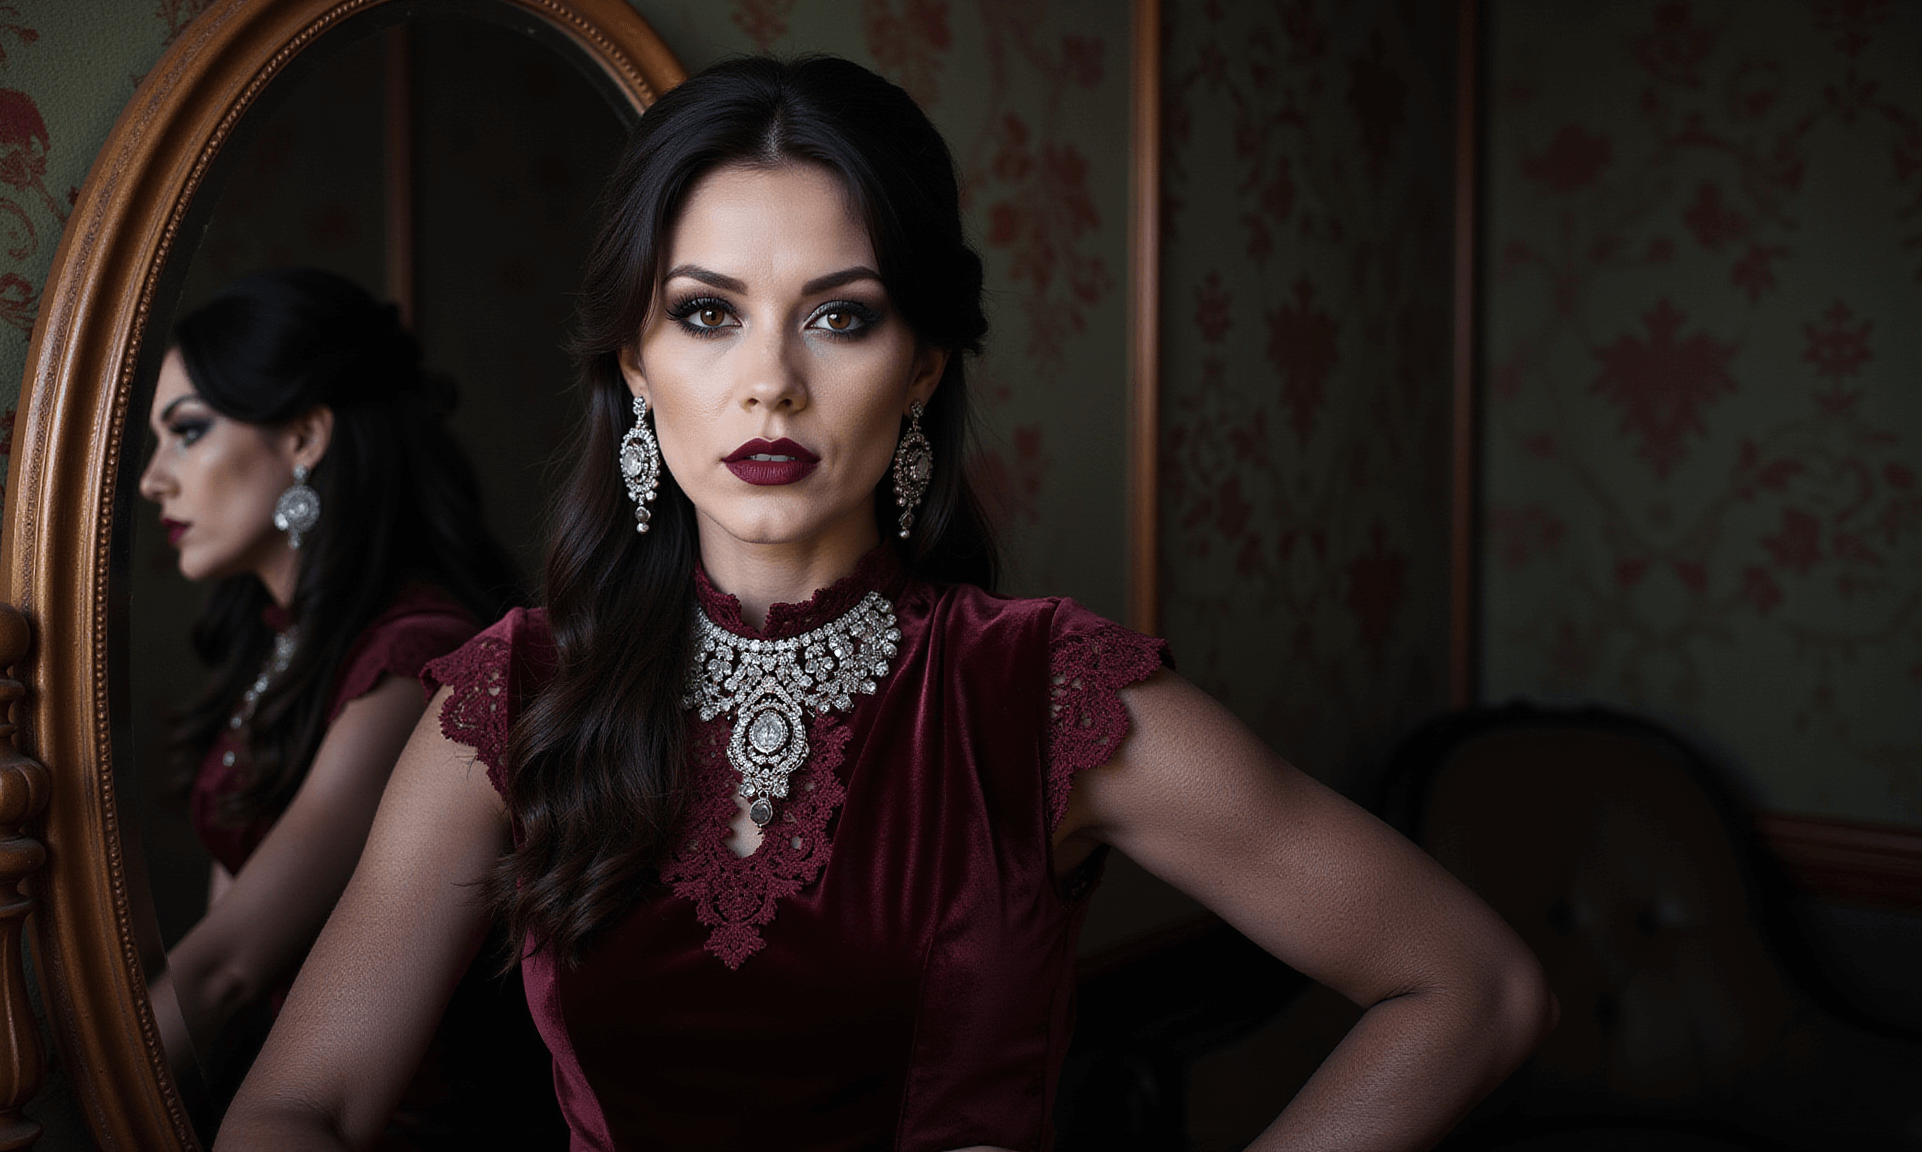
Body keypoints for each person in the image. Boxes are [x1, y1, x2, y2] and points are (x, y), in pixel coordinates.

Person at [218, 58, 1556, 1151]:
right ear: (635, 364)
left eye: (840, 318)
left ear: (920, 366)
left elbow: (1470, 988)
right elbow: (299, 1106)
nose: (771, 384)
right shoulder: (514, 698)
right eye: (706, 315)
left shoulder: (1043, 695)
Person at [135, 267, 540, 1127]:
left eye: (188, 432)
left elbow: (229, 970)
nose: (152, 480)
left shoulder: (413, 659)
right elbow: (225, 948)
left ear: (306, 437)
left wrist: (62, 1105)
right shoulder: (280, 643)